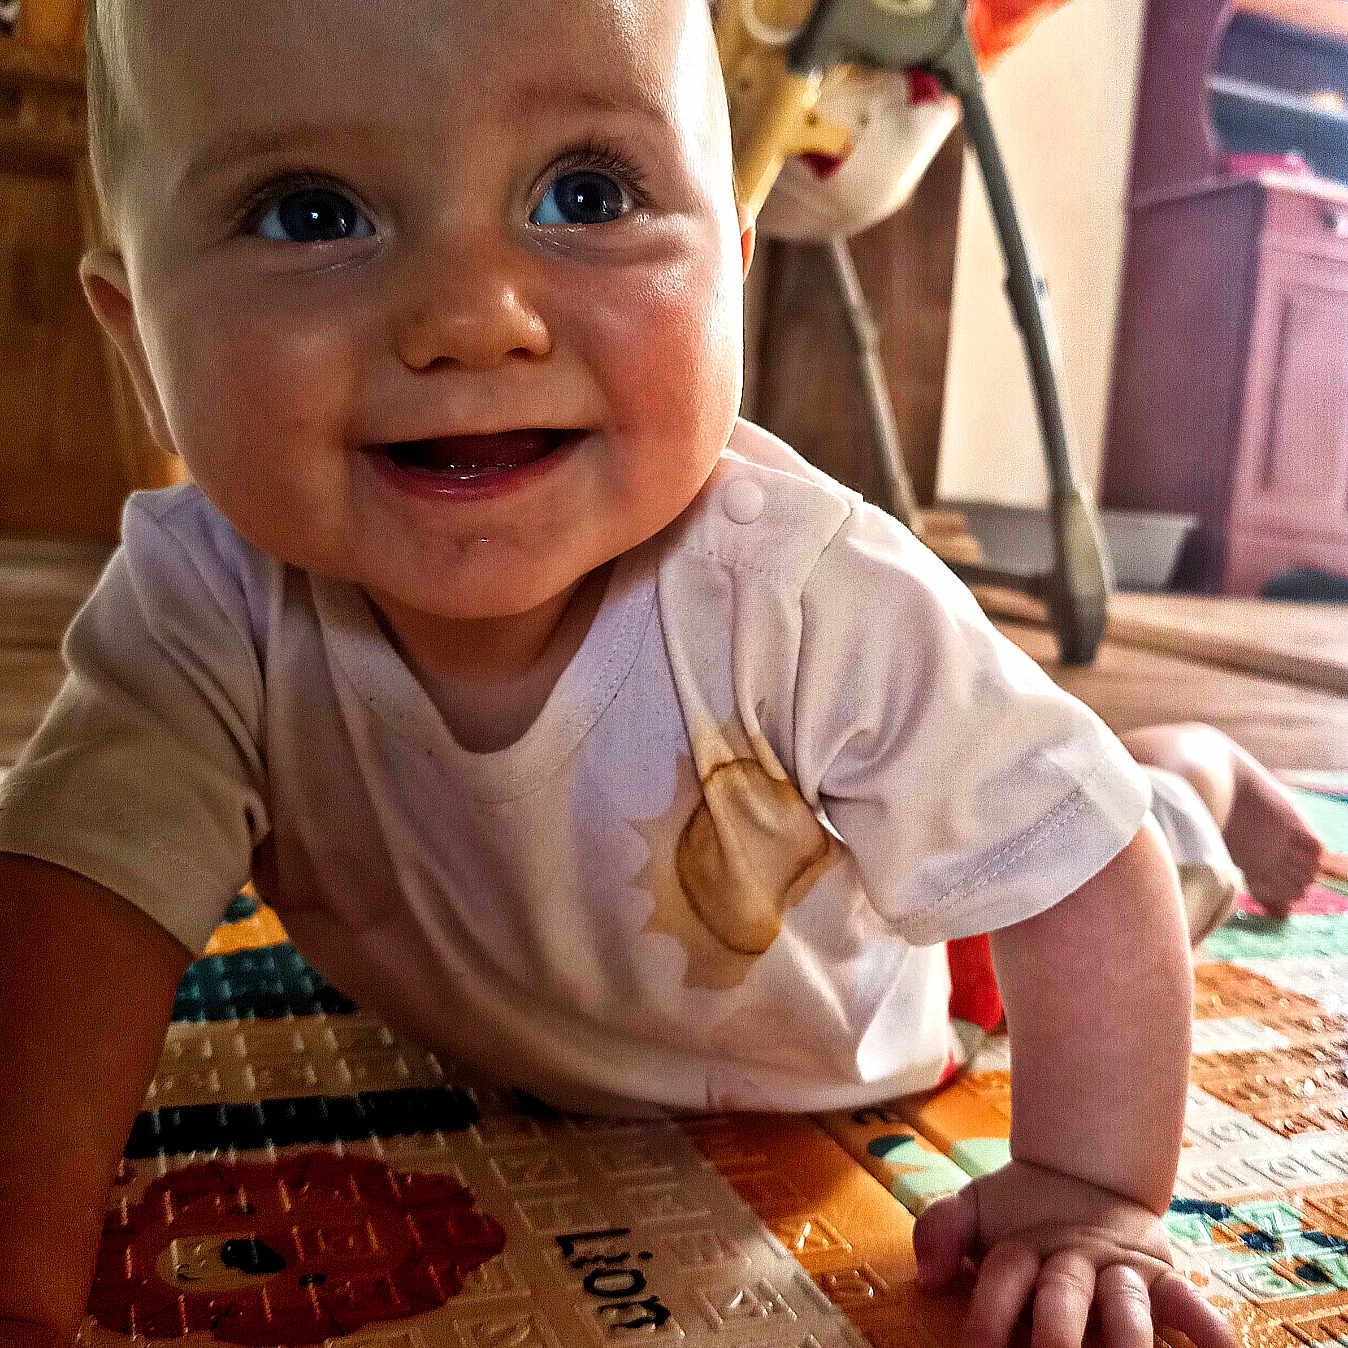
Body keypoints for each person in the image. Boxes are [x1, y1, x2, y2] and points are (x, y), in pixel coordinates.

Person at [2, 0, 1326, 1343]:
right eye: (310, 214)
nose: (473, 318)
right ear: (139, 343)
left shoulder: (806, 593)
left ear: (731, 268)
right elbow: (73, 907)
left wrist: (1087, 1197)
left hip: (902, 985)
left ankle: (1195, 769)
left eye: (585, 193)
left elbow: (1082, 863)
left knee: (1124, 827)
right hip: (567, 1022)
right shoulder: (202, 604)